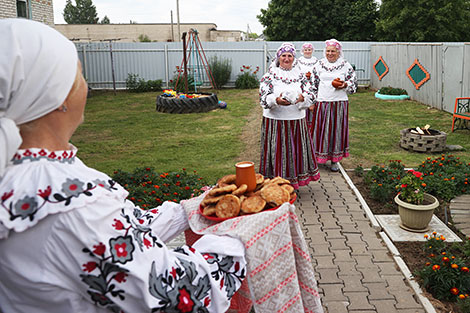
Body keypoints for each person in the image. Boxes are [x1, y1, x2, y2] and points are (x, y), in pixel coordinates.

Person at [0, 18, 246, 313]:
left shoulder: (22, 172)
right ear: (58, 97)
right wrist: (238, 238)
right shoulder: (68, 202)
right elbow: (180, 293)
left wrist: (186, 210)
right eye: (78, 76)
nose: (86, 87)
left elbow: (122, 234)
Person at [259, 42, 320, 189]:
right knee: (276, 151)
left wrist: (302, 98)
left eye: (290, 56)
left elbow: (312, 93)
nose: (286, 59)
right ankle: (275, 183)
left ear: (294, 58)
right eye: (284, 56)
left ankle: (292, 183)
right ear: (278, 58)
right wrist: (276, 100)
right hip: (275, 121)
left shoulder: (301, 76)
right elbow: (263, 97)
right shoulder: (269, 76)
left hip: (295, 120)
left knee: (293, 152)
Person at [309, 39, 357, 172]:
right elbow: (312, 84)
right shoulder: (319, 65)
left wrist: (345, 84)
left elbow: (353, 83)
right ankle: (317, 158)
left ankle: (335, 160)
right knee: (319, 131)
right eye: (328, 51)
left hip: (339, 103)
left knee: (337, 131)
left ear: (338, 52)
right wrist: (311, 102)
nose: (330, 53)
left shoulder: (345, 66)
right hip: (322, 102)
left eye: (333, 51)